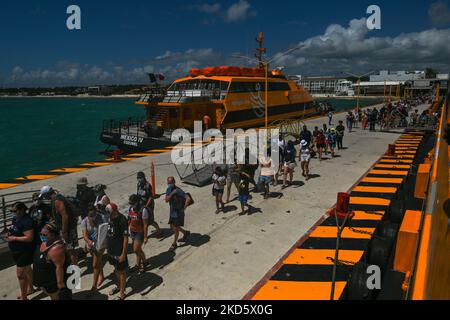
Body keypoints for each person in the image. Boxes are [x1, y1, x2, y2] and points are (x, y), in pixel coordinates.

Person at [39, 186, 79, 265]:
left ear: (47, 194)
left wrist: (64, 232)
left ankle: (75, 269)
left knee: (70, 249)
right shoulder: (56, 199)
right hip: (68, 227)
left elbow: (65, 216)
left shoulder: (57, 200)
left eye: (44, 196)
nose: (44, 198)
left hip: (67, 229)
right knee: (69, 249)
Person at [33, 223, 72, 300]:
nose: (42, 236)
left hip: (52, 283)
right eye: (41, 234)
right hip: (45, 282)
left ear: (53, 234)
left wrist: (60, 284)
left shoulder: (56, 249)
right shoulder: (46, 242)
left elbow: (59, 267)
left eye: (45, 235)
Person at [6, 202, 35, 300]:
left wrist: (14, 238)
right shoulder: (16, 218)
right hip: (17, 251)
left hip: (24, 251)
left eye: (14, 211)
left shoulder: (27, 221)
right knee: (27, 270)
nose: (12, 213)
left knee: (20, 275)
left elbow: (29, 237)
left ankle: (24, 297)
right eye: (11, 211)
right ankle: (30, 288)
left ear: (22, 210)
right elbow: (15, 230)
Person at [105, 203, 129, 300]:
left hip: (119, 251)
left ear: (115, 211)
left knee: (122, 271)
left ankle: (122, 293)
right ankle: (119, 286)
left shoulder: (122, 220)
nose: (109, 215)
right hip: (111, 249)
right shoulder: (109, 217)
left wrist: (123, 253)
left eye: (110, 213)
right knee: (116, 269)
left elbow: (126, 238)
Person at [81, 205, 105, 293]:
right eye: (90, 215)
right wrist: (89, 242)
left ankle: (94, 286)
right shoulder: (84, 221)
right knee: (98, 261)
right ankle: (101, 276)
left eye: (93, 214)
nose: (92, 216)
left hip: (101, 242)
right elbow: (84, 235)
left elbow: (105, 228)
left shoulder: (101, 217)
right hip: (91, 244)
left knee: (95, 264)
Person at [165, 177, 191, 252]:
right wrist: (172, 193)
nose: (170, 184)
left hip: (178, 213)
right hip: (172, 213)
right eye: (169, 183)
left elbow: (188, 198)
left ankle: (174, 244)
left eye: (171, 182)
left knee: (175, 229)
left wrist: (184, 208)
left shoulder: (179, 190)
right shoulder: (169, 190)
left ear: (174, 182)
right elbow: (166, 200)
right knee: (173, 227)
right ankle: (185, 233)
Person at [136, 172, 162, 237]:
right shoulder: (138, 184)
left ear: (143, 177)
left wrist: (146, 206)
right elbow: (138, 194)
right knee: (142, 219)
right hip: (141, 205)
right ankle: (143, 232)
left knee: (150, 220)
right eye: (138, 178)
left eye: (140, 178)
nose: (139, 179)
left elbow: (150, 197)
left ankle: (159, 230)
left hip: (149, 205)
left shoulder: (147, 185)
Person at [128, 195, 148, 273]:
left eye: (132, 203)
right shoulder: (130, 208)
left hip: (140, 232)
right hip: (132, 231)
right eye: (130, 203)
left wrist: (146, 237)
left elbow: (145, 224)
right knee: (138, 249)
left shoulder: (143, 210)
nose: (131, 205)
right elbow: (129, 219)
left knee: (136, 249)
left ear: (137, 202)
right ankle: (139, 263)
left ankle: (143, 262)